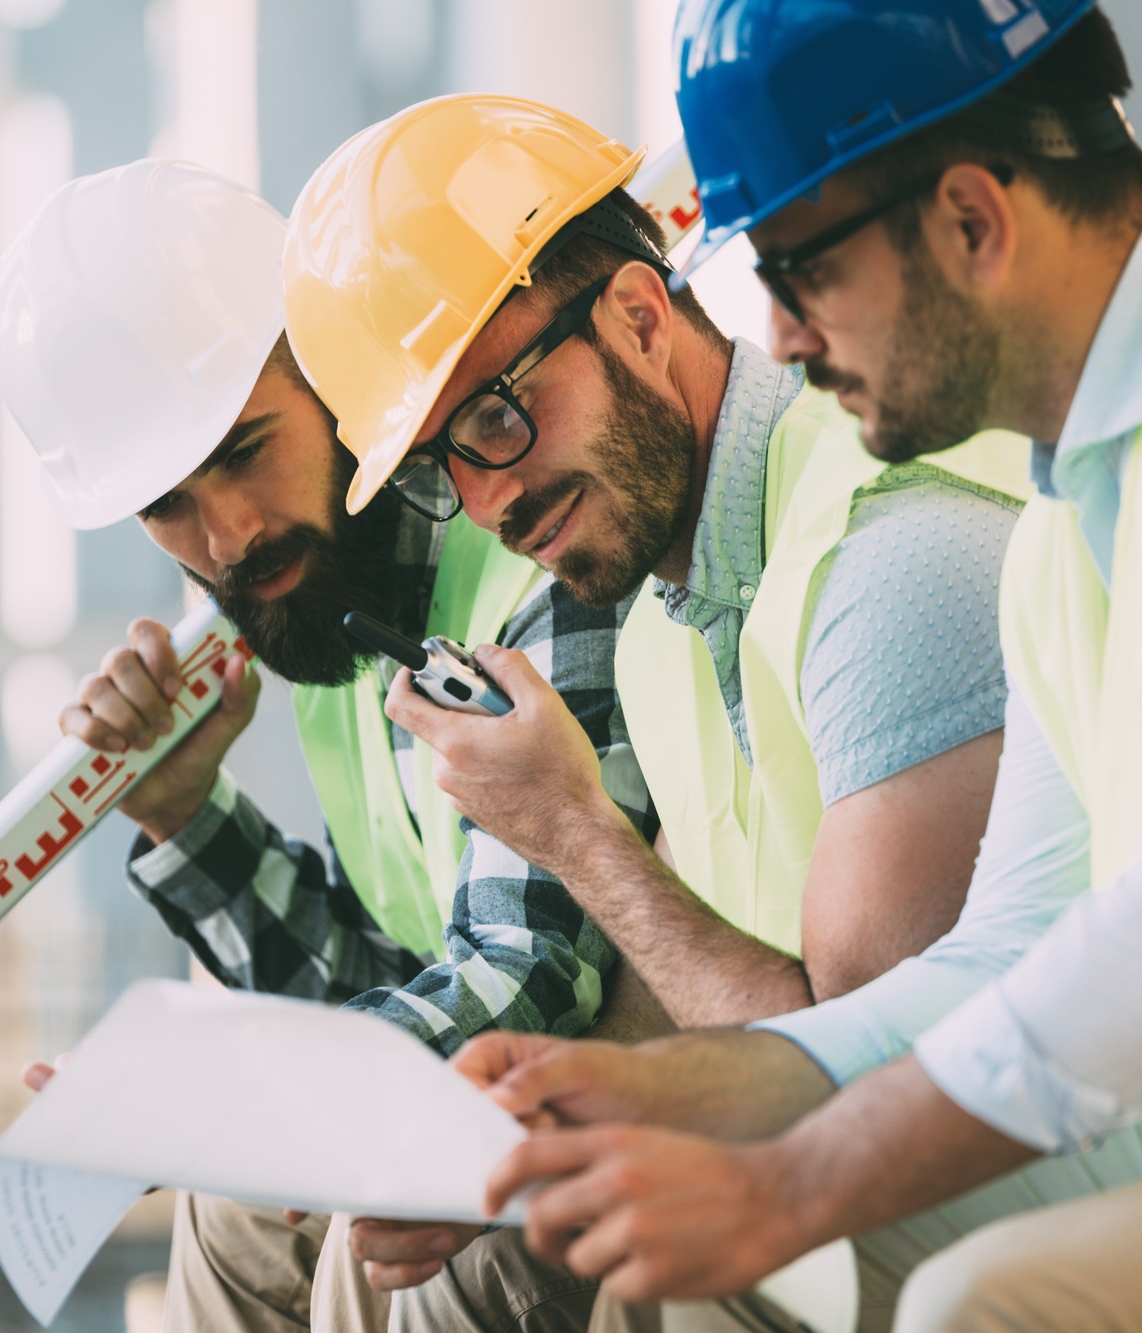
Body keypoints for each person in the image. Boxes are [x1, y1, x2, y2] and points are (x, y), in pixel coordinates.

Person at [459, 4, 1142, 1330]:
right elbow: (995, 955)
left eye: (800, 274)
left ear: (970, 222)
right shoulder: (1078, 510)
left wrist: (796, 1185)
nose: (779, 340)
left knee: (982, 1302)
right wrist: (672, 1093)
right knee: (697, 1259)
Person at [279, 93, 1036, 1329]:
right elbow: (671, 990)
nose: (489, 500)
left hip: (1029, 1150)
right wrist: (505, 1133)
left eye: (493, 416)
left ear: (638, 313)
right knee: (431, 1259)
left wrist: (574, 831)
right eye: (442, 465)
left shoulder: (883, 560)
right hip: (904, 1132)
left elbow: (866, 1075)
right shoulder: (654, 626)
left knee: (667, 1264)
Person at [0, 156, 652, 1332]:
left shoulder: (535, 541)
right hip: (541, 1085)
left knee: (375, 1229)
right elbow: (389, 984)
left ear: (334, 370)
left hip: (668, 1081)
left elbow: (524, 983)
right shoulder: (325, 607)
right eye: (167, 505)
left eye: (245, 450)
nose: (229, 535)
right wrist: (189, 812)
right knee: (232, 1203)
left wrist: (230, 1095)